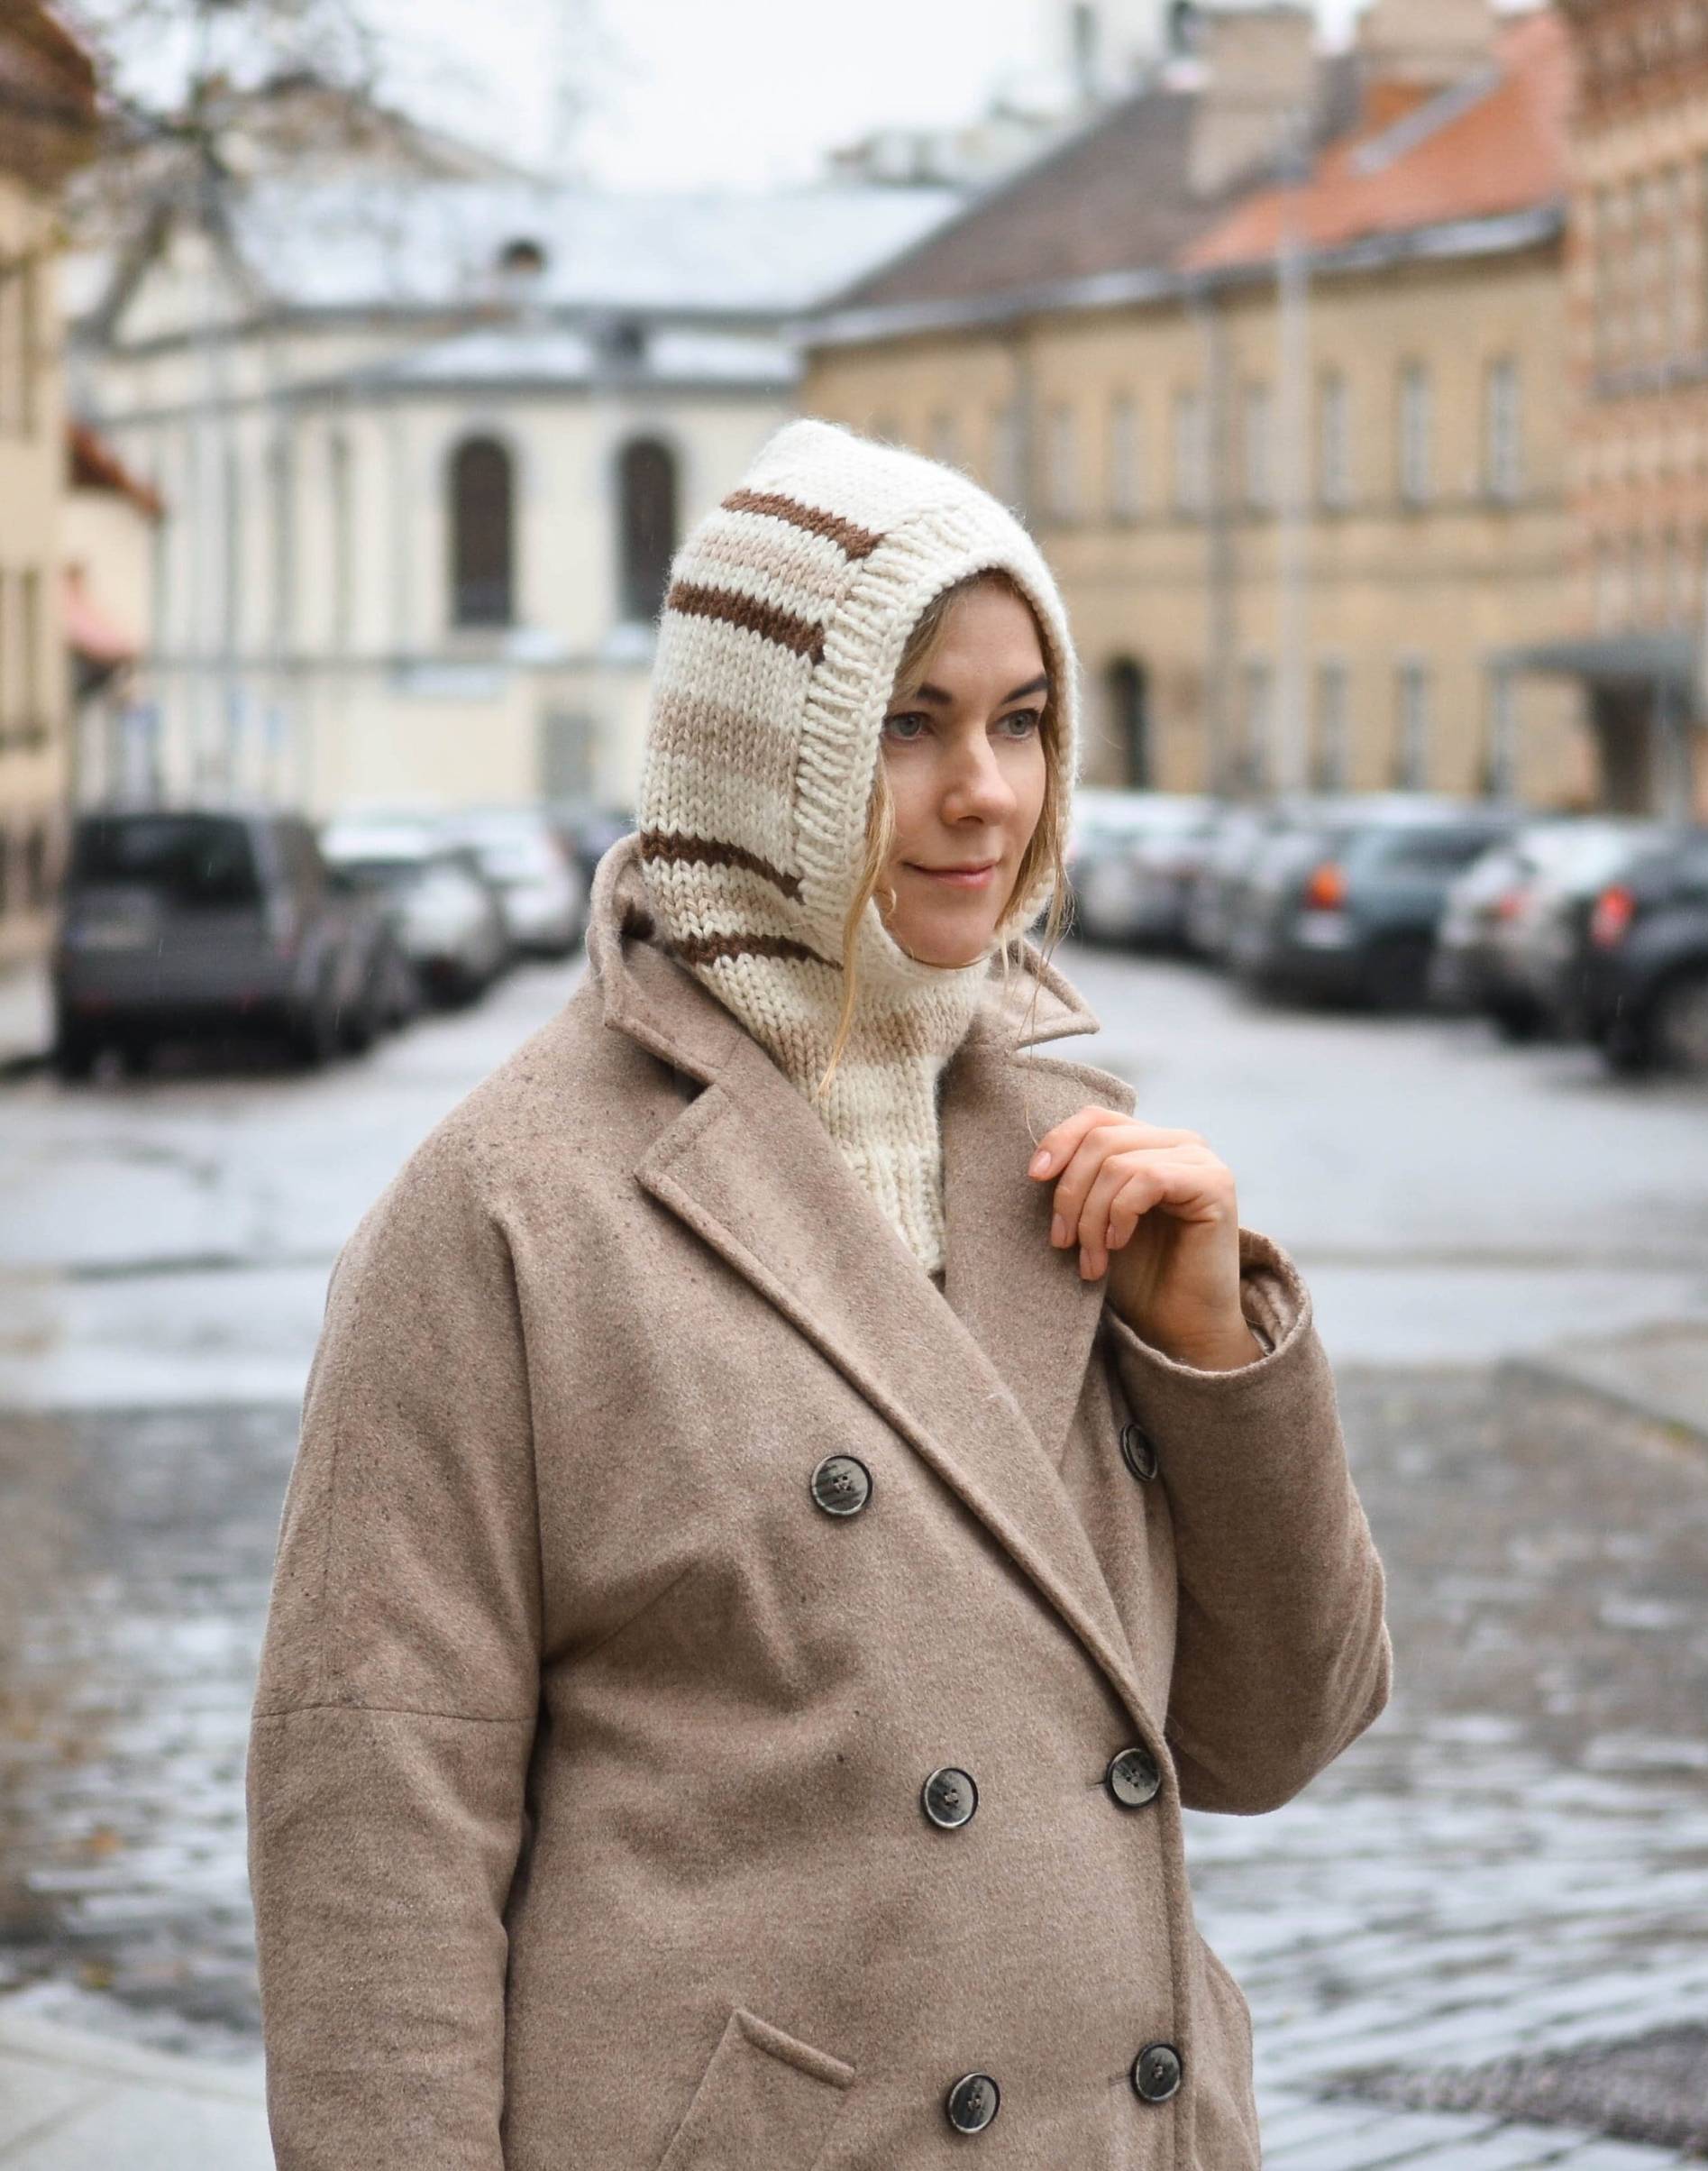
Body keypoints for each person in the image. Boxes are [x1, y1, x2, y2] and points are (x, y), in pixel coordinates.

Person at [246, 417, 1393, 2169]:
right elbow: (375, 1831)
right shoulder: (508, 1209)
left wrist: (1214, 1346)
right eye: (909, 721)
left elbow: (1269, 1736)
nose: (987, 791)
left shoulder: (1078, 1154)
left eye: (1021, 720)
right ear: (760, 745)